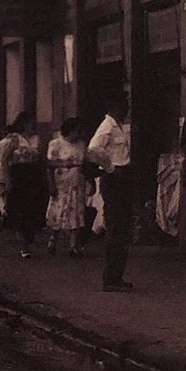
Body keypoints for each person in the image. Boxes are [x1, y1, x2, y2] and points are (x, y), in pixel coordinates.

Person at [87, 93, 133, 290]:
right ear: (115, 105)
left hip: (122, 177)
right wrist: (110, 168)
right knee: (115, 227)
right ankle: (111, 278)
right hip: (115, 178)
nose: (127, 108)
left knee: (122, 228)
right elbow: (93, 149)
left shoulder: (118, 125)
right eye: (125, 104)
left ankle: (117, 276)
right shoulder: (107, 126)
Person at [3, 112, 45, 259]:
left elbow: (40, 159)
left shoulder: (36, 140)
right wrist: (7, 179)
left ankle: (29, 235)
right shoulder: (14, 139)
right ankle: (23, 246)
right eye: (30, 123)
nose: (33, 126)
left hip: (33, 176)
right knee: (20, 211)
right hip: (19, 176)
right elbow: (5, 159)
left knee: (32, 210)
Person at [45, 117, 86, 256]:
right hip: (61, 180)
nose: (79, 134)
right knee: (59, 210)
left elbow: (85, 162)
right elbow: (49, 164)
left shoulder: (81, 144)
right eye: (77, 130)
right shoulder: (56, 144)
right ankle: (53, 239)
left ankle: (73, 244)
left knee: (76, 210)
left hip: (77, 181)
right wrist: (52, 183)